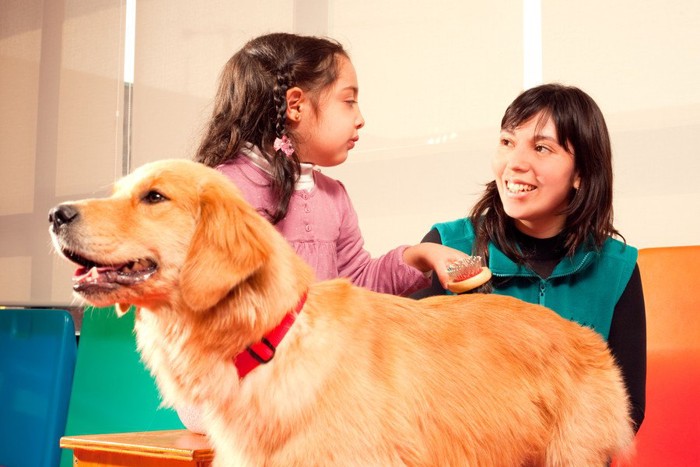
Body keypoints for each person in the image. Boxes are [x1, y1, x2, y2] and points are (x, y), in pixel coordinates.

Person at [180, 32, 466, 433]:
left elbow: (358, 283)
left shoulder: (332, 195)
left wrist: (422, 256)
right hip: (229, 388)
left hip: (310, 380)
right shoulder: (223, 190)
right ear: (296, 105)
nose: (360, 116)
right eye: (348, 100)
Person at [412, 83, 646, 433]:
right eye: (507, 142)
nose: (516, 163)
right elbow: (404, 390)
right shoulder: (448, 246)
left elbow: (626, 410)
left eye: (541, 148)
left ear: (581, 172)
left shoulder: (617, 268)